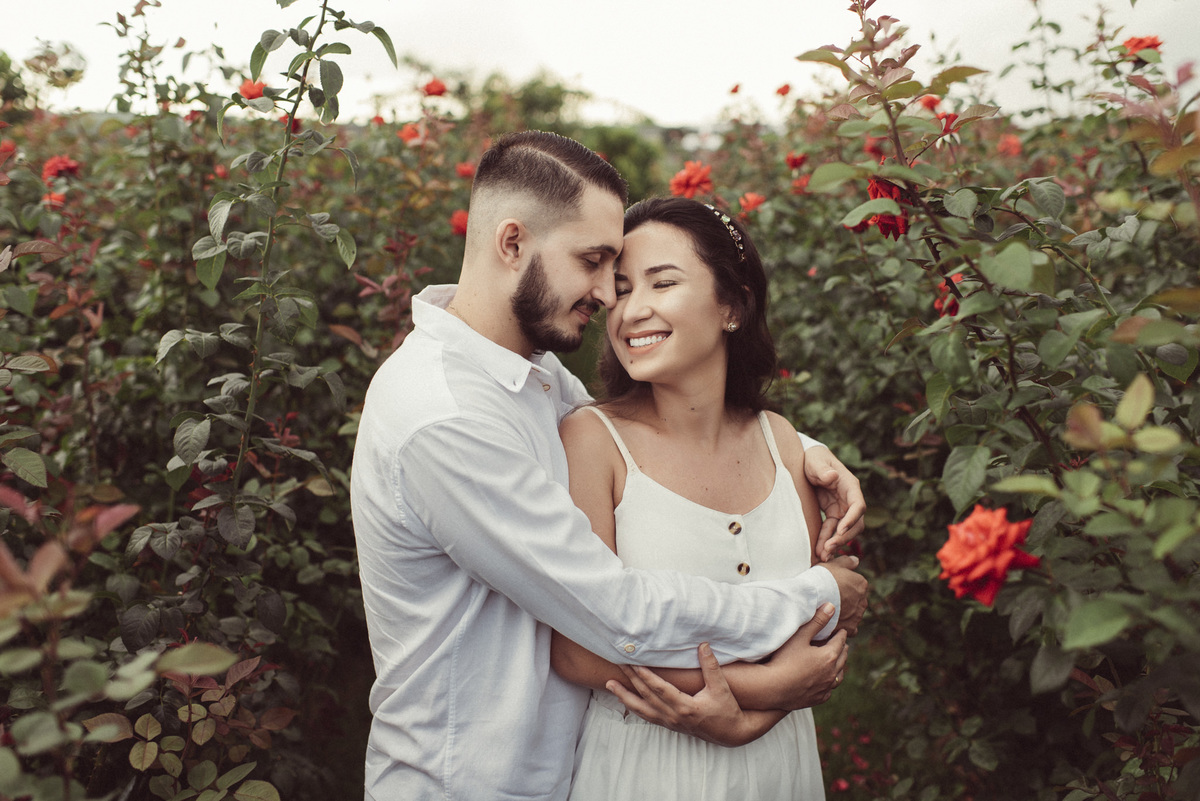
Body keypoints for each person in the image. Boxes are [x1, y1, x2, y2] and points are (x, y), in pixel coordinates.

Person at [349, 130, 867, 801]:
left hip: (560, 771)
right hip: (469, 782)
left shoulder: (529, 378)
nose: (607, 296)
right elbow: (619, 611)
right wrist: (816, 600)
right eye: (596, 262)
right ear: (512, 244)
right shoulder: (446, 416)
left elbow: (663, 430)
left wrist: (808, 452)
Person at [551, 196, 839, 799]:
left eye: (663, 282)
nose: (632, 310)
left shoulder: (783, 442)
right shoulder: (592, 441)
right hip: (644, 765)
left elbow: (816, 631)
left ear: (732, 305)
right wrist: (765, 690)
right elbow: (577, 652)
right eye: (622, 289)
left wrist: (749, 724)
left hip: (780, 765)